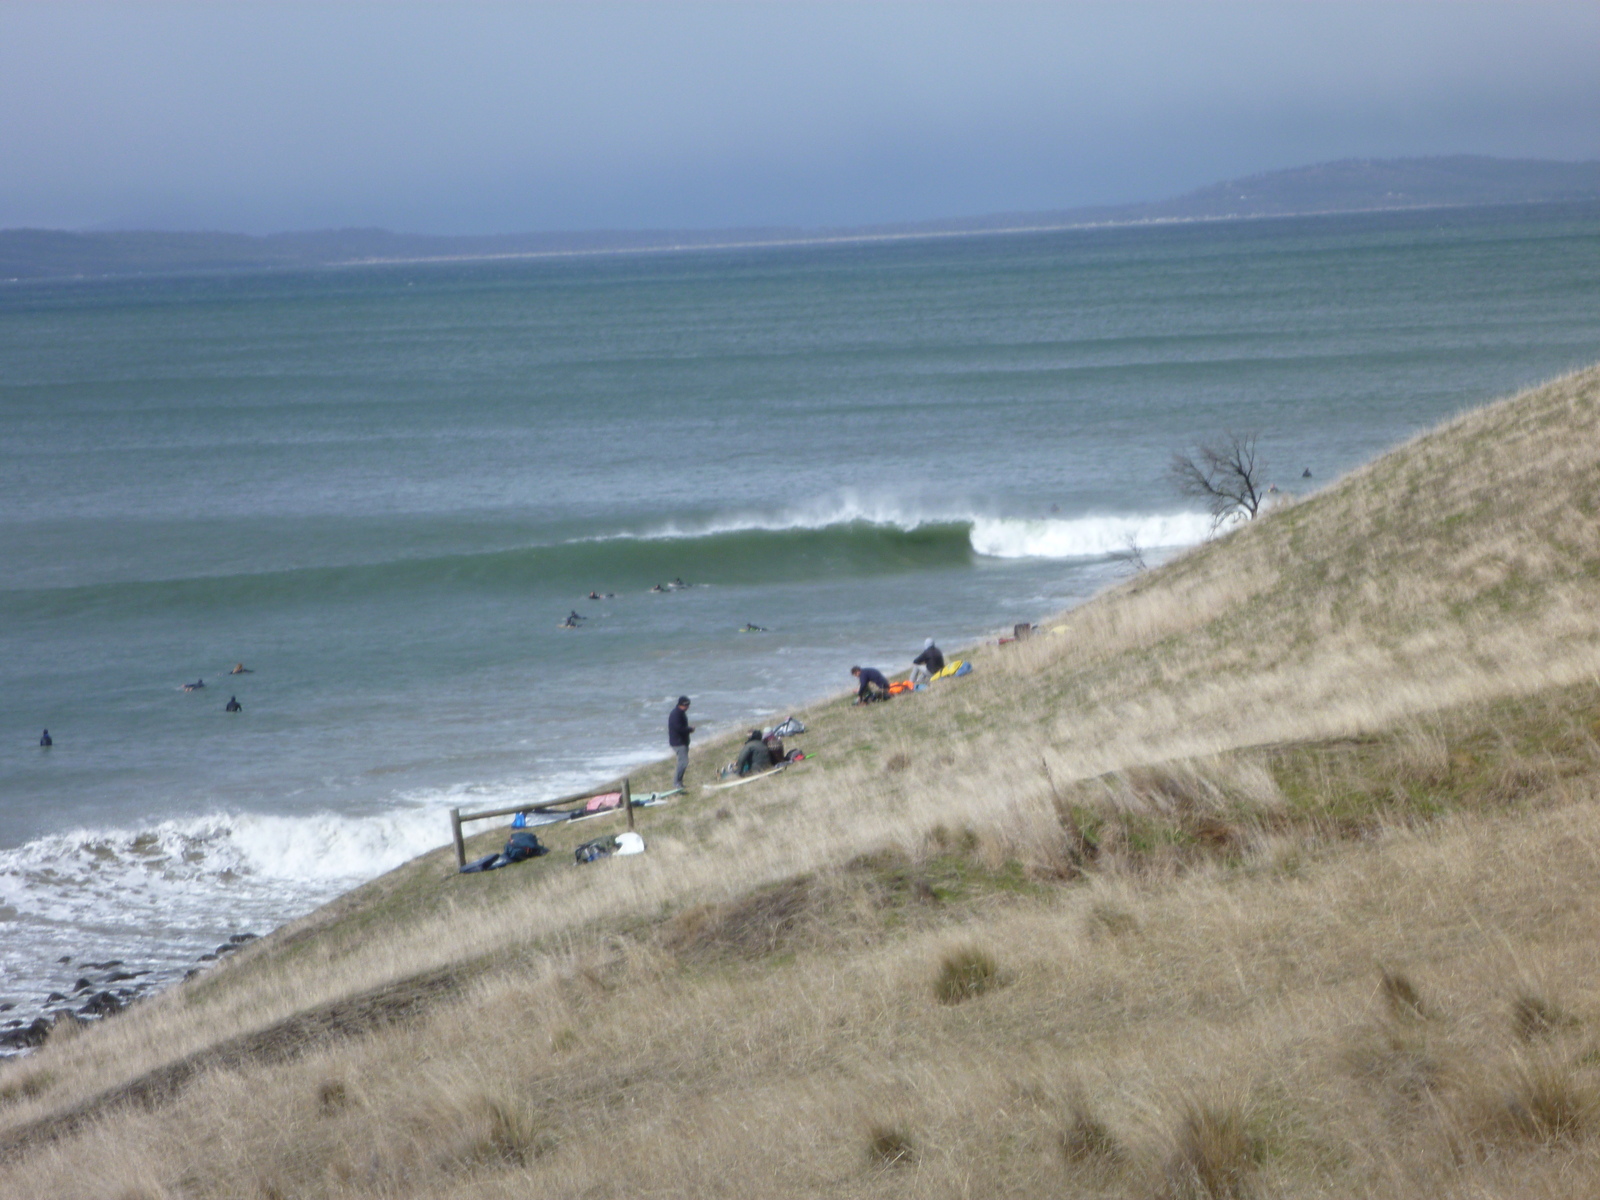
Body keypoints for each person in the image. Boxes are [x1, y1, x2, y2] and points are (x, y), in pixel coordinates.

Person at [668, 696, 694, 788]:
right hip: (678, 743)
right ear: (682, 705)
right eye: (687, 705)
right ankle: (677, 783)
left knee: (682, 762)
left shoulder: (680, 713)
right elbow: (679, 728)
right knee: (683, 762)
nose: (688, 707)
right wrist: (689, 729)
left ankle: (679, 782)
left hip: (682, 742)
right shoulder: (676, 714)